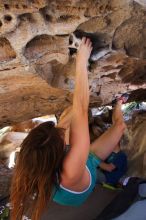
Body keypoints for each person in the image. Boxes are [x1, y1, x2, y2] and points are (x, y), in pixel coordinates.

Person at [10, 38, 126, 220]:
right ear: (60, 151)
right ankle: (119, 102)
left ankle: (87, 89)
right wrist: (81, 61)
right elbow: (81, 106)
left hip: (70, 170)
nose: (60, 131)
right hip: (82, 180)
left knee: (65, 121)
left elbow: (72, 115)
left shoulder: (34, 161)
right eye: (58, 137)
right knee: (119, 126)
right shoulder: (70, 167)